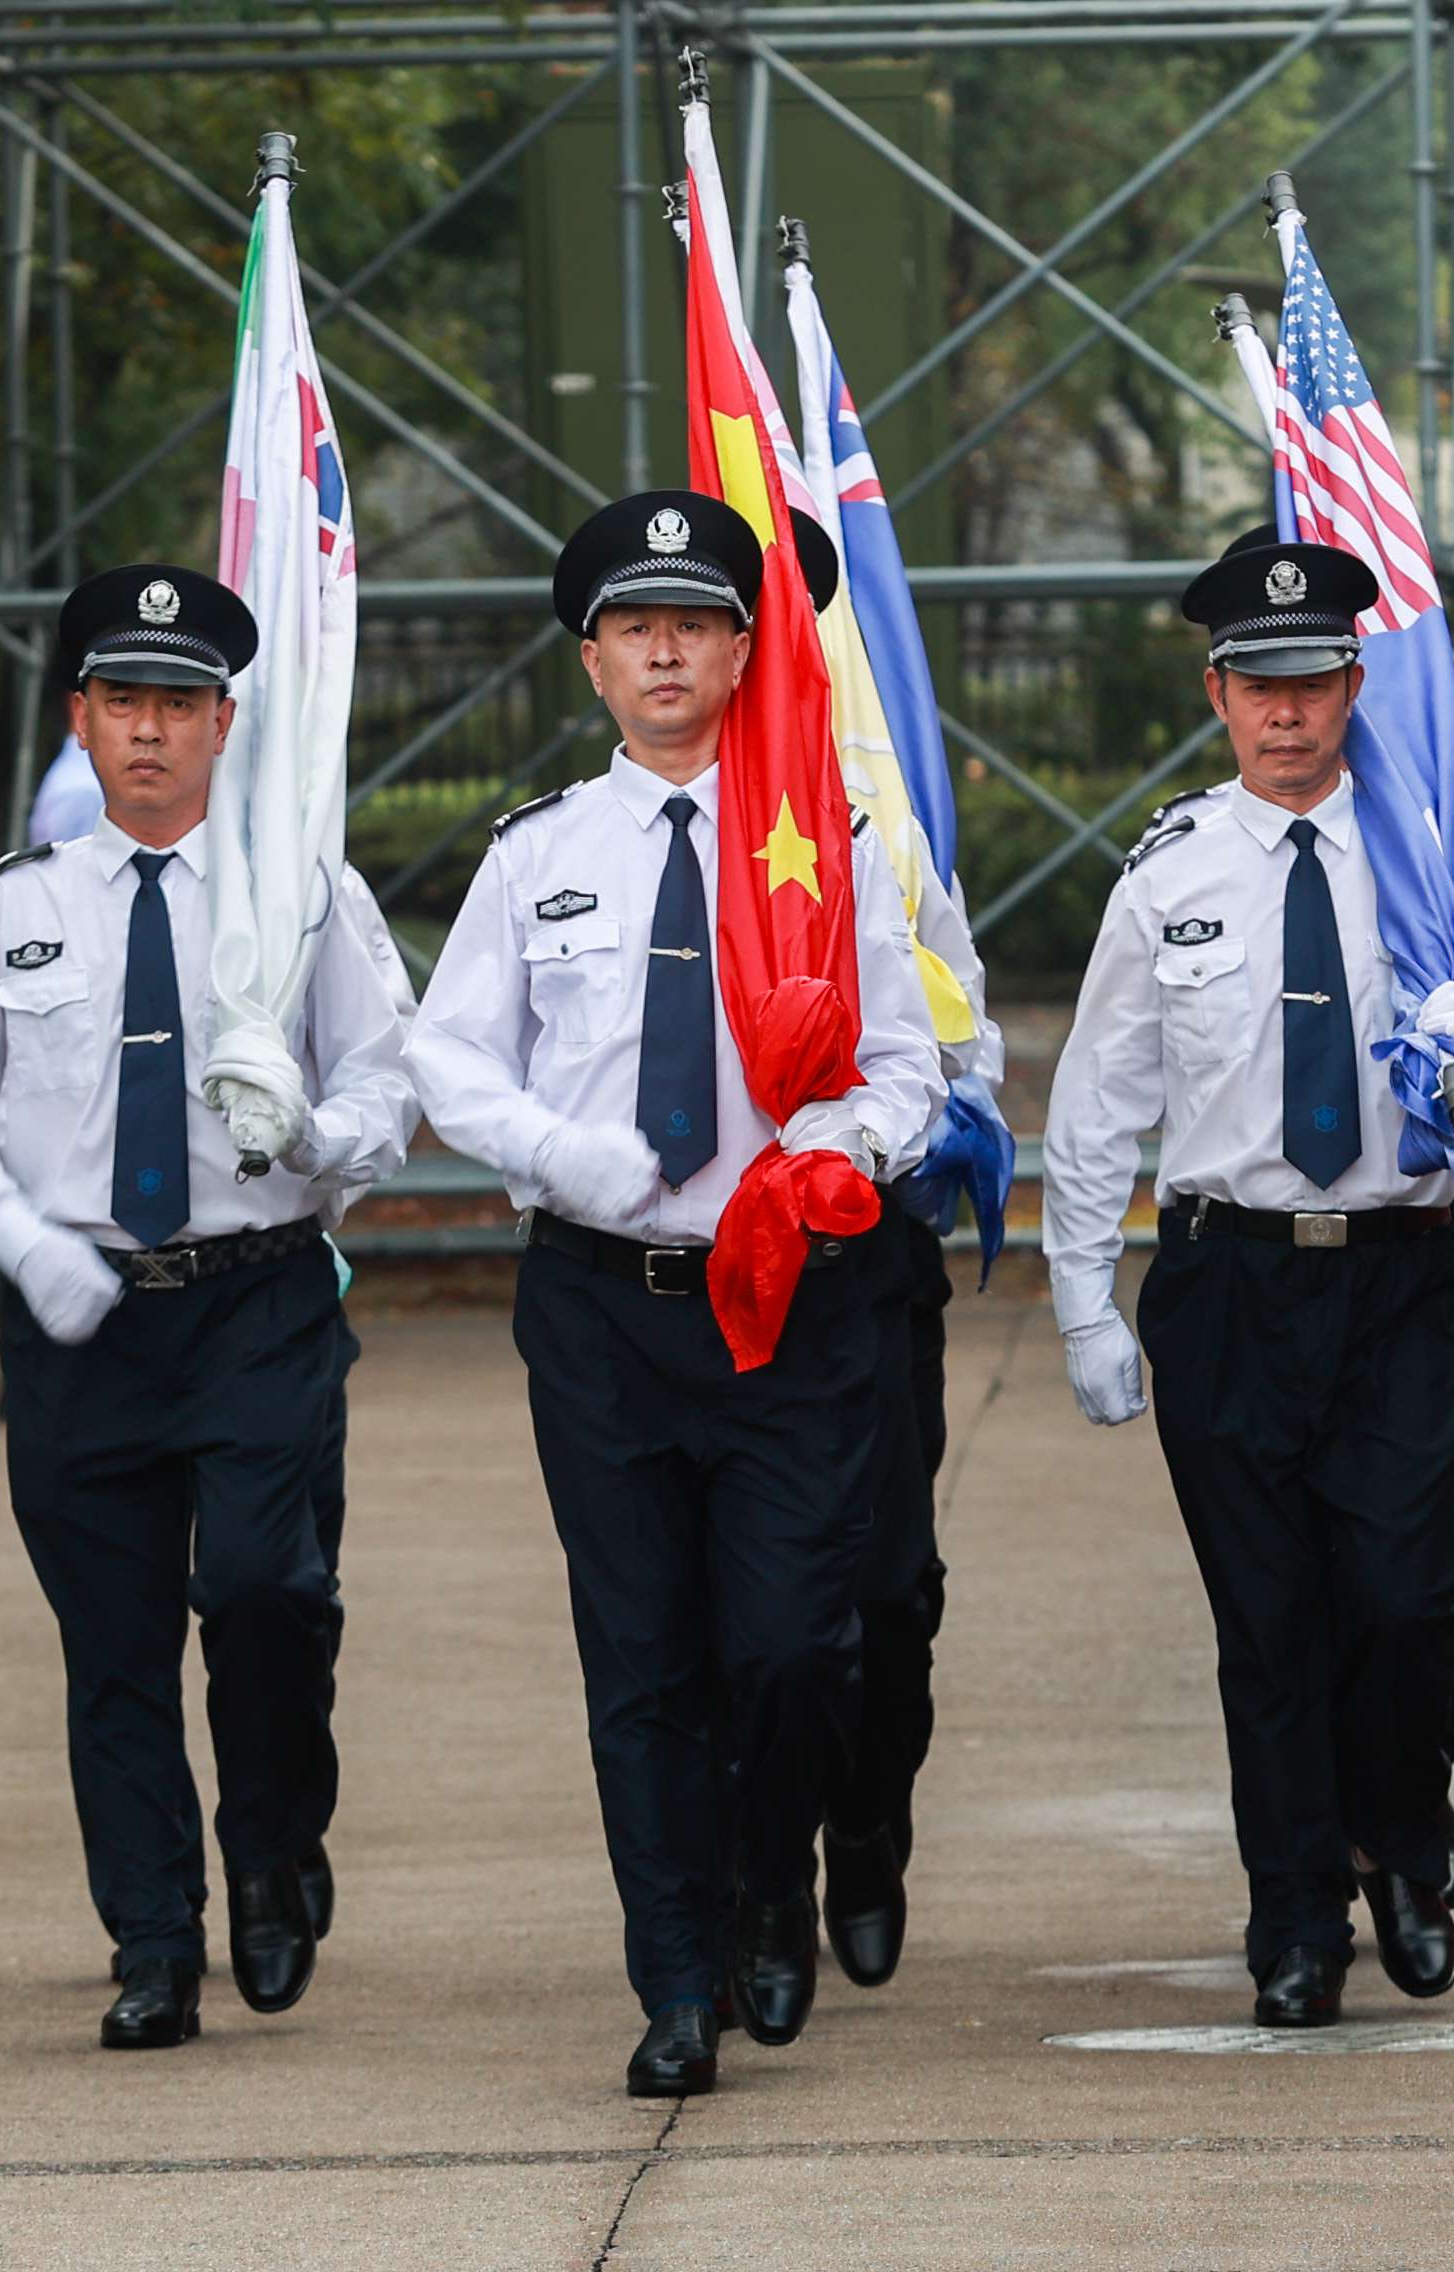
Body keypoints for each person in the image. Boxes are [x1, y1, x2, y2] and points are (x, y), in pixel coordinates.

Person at [408, 491, 943, 2100]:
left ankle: (777, 1869)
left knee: (790, 1646)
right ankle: (678, 1973)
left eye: (696, 623)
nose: (665, 650)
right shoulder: (537, 857)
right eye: (635, 627)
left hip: (790, 1301)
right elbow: (447, 1058)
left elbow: (910, 1060)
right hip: (604, 1309)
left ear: (741, 648)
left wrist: (842, 1146)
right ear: (593, 661)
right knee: (641, 1653)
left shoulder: (830, 844)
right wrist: (563, 1157)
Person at [1042, 529, 1454, 2030]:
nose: (1287, 714)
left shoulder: (1447, 835)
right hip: (1233, 1286)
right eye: (1257, 684)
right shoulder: (1169, 873)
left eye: (1314, 681)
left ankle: (1402, 1829)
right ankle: (1294, 1917)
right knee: (1268, 1625)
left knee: (1406, 1600)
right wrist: (1083, 1300)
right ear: (1217, 692)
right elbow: (1097, 1103)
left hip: (1401, 1271)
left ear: (1355, 681)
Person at [0, 563, 416, 2053]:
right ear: (81, 717)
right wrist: (16, 1239)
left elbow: (389, 1076)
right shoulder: (20, 911)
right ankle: (151, 1938)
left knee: (267, 1595)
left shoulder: (300, 896)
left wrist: (319, 1139)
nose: (149, 732)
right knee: (113, 1643)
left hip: (254, 1299)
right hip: (81, 1322)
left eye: (178, 705)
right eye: (123, 701)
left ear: (224, 723)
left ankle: (270, 1851)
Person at [823, 820, 998, 1992]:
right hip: (696, 1254)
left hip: (863, 1249)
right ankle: (749, 1881)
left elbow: (960, 1024)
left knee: (888, 1586)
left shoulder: (867, 827)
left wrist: (923, 1118)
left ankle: (868, 1821)